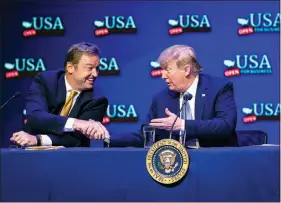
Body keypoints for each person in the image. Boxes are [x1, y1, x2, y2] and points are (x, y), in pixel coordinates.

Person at [111, 45, 238, 148]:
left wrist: (183, 125)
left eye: (168, 70)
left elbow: (225, 125)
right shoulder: (161, 99)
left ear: (186, 70)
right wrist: (109, 138)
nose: (163, 75)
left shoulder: (219, 88)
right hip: (175, 166)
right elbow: (146, 136)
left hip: (216, 161)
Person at [10, 42, 110, 147]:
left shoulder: (97, 101)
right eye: (89, 68)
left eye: (97, 68)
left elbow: (77, 139)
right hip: (30, 153)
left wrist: (38, 140)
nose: (95, 74)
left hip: (69, 158)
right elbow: (36, 116)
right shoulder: (46, 81)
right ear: (70, 67)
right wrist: (76, 123)